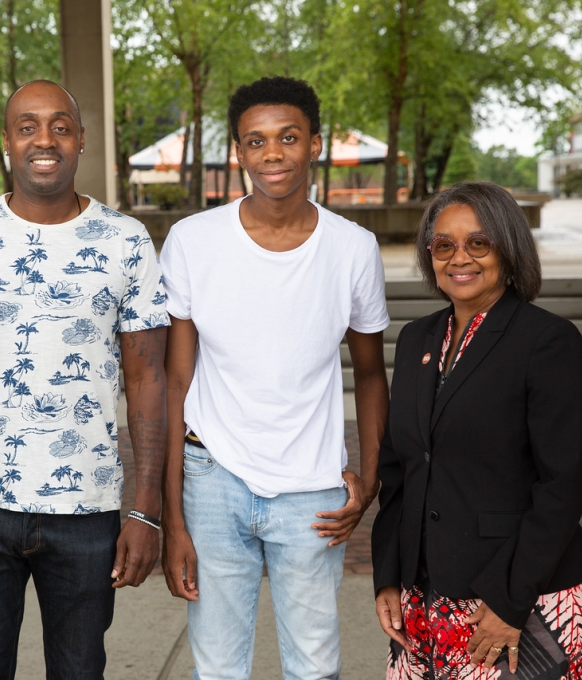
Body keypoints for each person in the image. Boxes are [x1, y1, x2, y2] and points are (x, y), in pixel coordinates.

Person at [0, 79, 169, 679]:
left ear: (81, 140)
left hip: (87, 507)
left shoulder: (125, 240)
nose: (44, 139)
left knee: (80, 671)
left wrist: (146, 509)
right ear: (7, 141)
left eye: (60, 126)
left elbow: (148, 379)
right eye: (27, 127)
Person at [160, 76, 390, 679]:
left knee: (314, 667)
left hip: (312, 489)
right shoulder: (192, 241)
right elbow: (176, 382)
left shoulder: (353, 248)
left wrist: (369, 480)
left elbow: (370, 373)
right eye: (256, 141)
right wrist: (172, 516)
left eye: (288, 137)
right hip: (212, 477)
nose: (273, 154)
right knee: (217, 669)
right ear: (239, 151)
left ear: (315, 143)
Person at [371, 181, 582, 679]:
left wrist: (510, 602)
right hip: (426, 598)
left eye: (478, 242)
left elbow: (561, 487)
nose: (459, 257)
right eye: (443, 245)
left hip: (519, 597)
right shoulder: (417, 339)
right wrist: (389, 575)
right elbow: (398, 471)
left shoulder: (548, 341)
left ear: (507, 248)